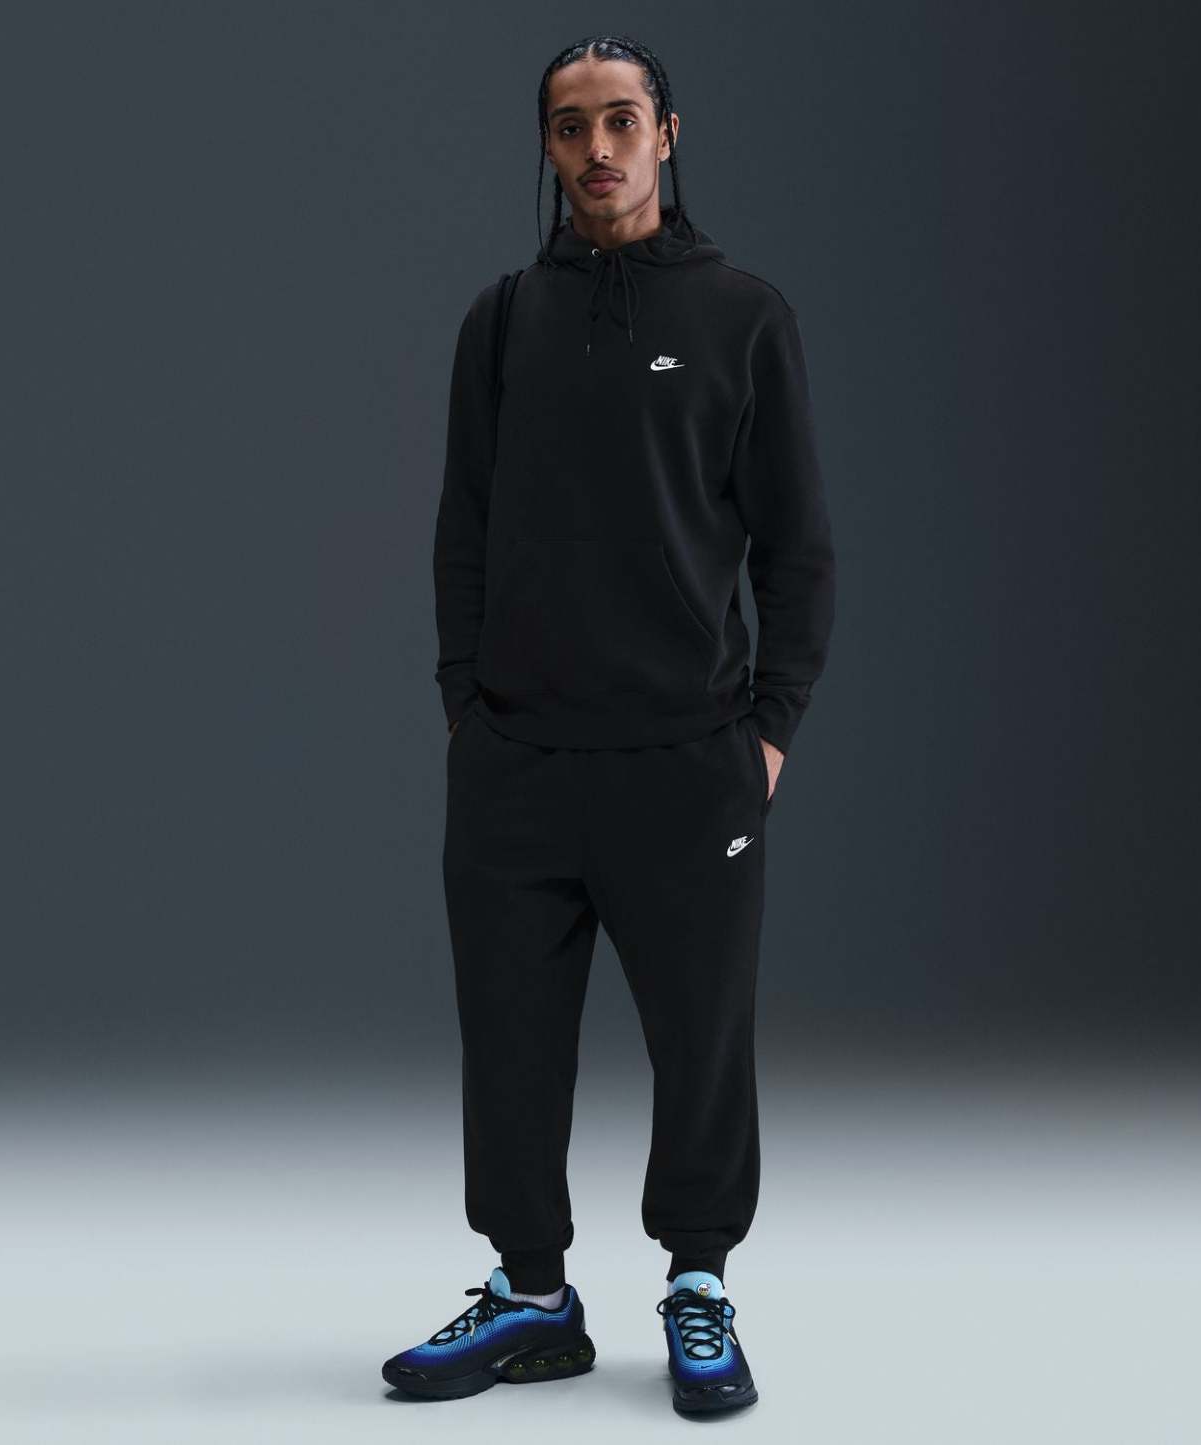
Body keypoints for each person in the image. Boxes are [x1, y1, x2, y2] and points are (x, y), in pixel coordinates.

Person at [382, 33, 835, 1416]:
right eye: (572, 127)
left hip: (688, 763)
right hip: (517, 762)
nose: (598, 149)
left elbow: (799, 549)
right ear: (547, 146)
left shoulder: (743, 315)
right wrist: (463, 707)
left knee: (703, 1042)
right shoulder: (502, 320)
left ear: (667, 135)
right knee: (509, 1042)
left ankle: (697, 1285)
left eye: (622, 121)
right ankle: (532, 1296)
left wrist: (767, 731)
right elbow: (462, 531)